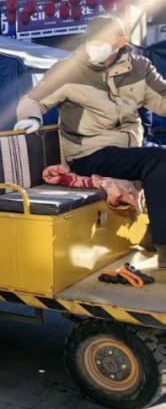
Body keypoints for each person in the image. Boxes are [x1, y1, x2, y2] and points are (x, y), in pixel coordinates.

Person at [14, 15, 166, 267]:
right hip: (88, 153)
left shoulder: (139, 68)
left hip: (129, 149)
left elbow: (162, 99)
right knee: (160, 160)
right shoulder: (68, 70)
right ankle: (164, 247)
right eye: (90, 41)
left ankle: (153, 231)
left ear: (120, 42)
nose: (94, 47)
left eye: (102, 41)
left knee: (159, 159)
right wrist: (30, 118)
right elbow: (34, 100)